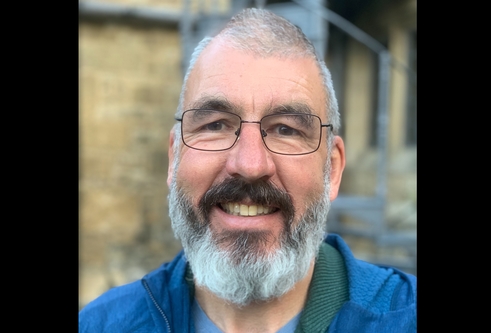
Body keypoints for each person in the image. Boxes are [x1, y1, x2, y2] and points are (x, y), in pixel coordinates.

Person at [79, 8, 416, 333]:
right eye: (216, 125)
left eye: (286, 130)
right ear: (174, 158)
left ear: (333, 170)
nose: (250, 165)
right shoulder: (100, 325)